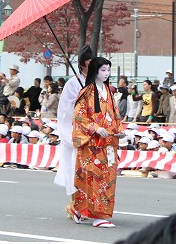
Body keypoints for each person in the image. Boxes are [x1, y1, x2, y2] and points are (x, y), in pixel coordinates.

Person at [71, 57, 124, 228]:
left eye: (108, 70)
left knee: (108, 176)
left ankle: (80, 210)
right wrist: (93, 127)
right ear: (95, 71)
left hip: (108, 141)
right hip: (92, 143)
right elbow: (79, 116)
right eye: (103, 70)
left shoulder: (108, 91)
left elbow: (115, 114)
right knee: (94, 177)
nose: (107, 73)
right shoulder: (86, 91)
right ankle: (97, 215)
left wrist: (120, 129)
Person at [57, 44, 95, 212]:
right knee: (75, 168)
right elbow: (66, 109)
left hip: (94, 129)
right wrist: (82, 99)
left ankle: (90, 206)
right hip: (76, 130)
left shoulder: (98, 81)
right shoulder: (72, 83)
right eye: (89, 61)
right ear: (82, 64)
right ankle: (75, 205)